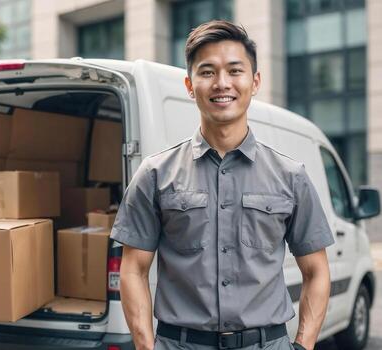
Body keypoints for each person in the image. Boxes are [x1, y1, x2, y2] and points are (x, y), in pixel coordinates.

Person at [110, 20, 335, 350]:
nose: (222, 83)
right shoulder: (155, 174)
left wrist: (303, 345)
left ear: (254, 82)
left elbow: (317, 271)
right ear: (189, 84)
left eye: (234, 70)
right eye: (207, 72)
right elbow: (133, 270)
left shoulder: (291, 176)